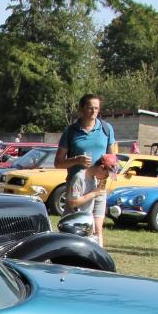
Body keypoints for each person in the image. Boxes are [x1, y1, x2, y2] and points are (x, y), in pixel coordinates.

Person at [55, 93, 117, 240]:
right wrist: (77, 160)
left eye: (96, 108)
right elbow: (58, 163)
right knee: (72, 227)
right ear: (81, 109)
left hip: (99, 185)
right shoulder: (70, 131)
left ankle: (97, 253)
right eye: (90, 107)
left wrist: (109, 176)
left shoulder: (106, 129)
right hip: (78, 184)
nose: (93, 111)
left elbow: (113, 159)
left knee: (97, 229)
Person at [66, 153, 119, 247]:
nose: (106, 177)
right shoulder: (79, 177)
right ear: (101, 167)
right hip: (74, 226)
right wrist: (94, 193)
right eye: (107, 175)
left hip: (86, 225)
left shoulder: (94, 179)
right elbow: (73, 203)